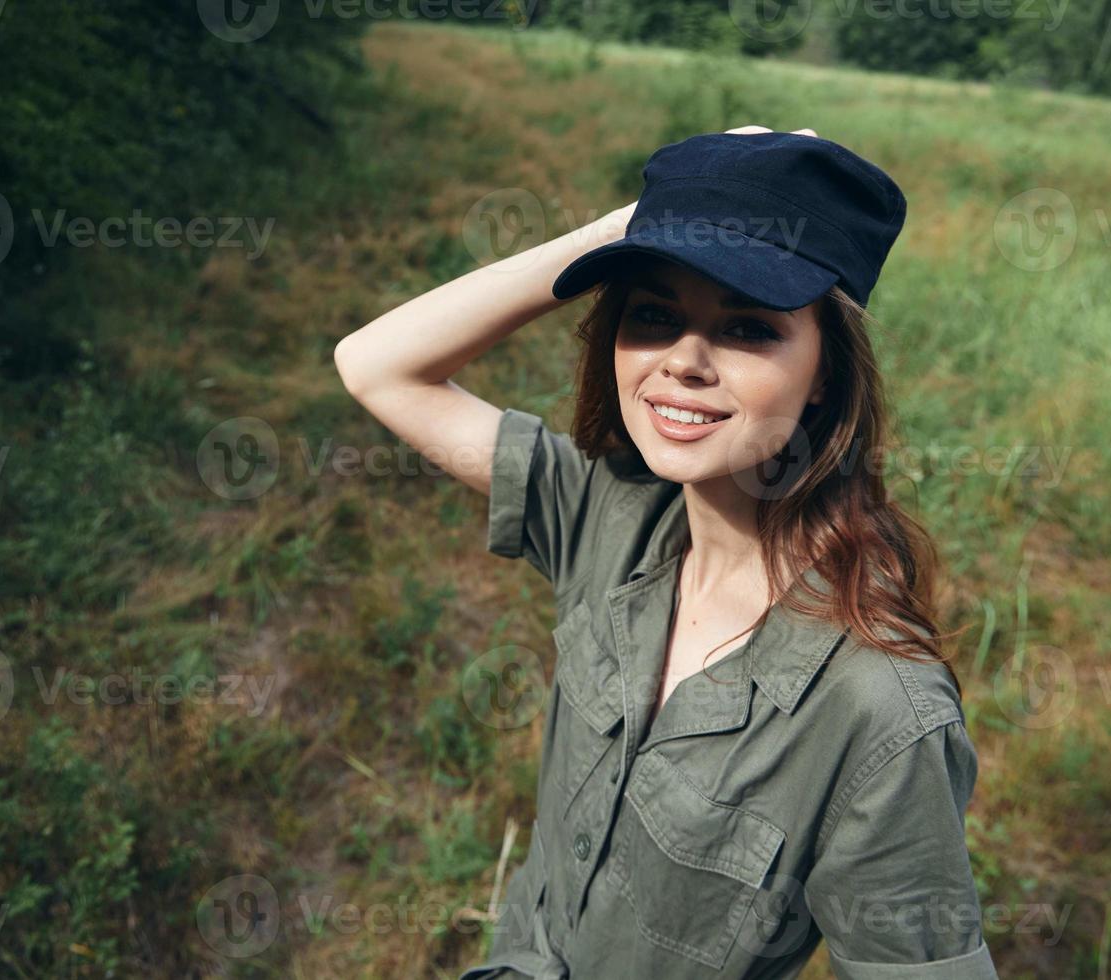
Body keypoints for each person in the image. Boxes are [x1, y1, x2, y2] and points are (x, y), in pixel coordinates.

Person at [334, 126, 998, 979]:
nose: (683, 362)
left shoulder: (877, 711)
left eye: (747, 328)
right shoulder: (610, 515)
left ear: (825, 374)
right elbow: (376, 366)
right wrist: (626, 229)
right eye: (654, 314)